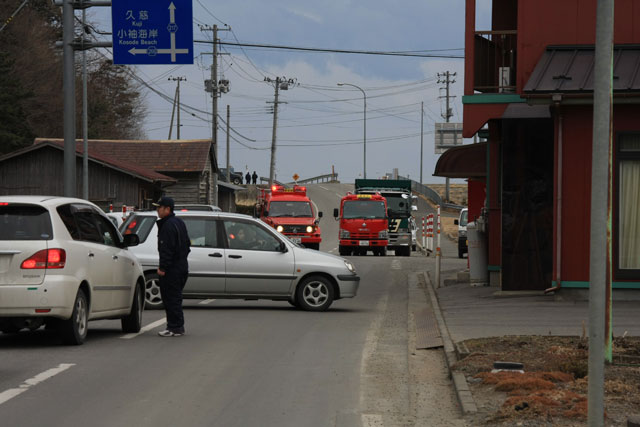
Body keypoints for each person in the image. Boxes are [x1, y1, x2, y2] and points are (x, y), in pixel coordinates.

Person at [153, 196, 191, 337]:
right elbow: (187, 245)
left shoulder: (167, 225)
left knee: (171, 298)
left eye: (159, 207)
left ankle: (174, 327)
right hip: (182, 266)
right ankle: (177, 326)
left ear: (167, 209)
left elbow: (166, 249)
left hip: (172, 269)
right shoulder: (179, 222)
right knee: (176, 297)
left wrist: (163, 268)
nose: (157, 210)